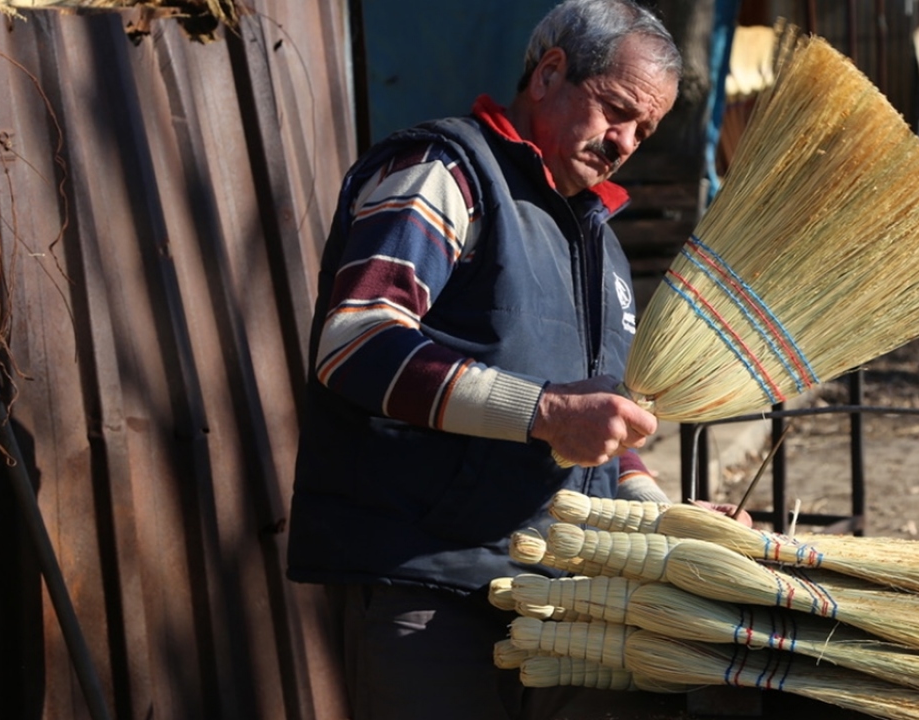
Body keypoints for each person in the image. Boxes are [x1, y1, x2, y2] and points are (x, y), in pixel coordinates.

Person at [286, 2, 741, 718]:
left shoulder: (603, 248)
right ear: (550, 73)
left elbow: (601, 435)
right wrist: (543, 412)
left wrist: (662, 516)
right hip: (429, 584)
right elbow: (357, 344)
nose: (624, 142)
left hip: (559, 598)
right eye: (615, 110)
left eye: (643, 130)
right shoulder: (444, 171)